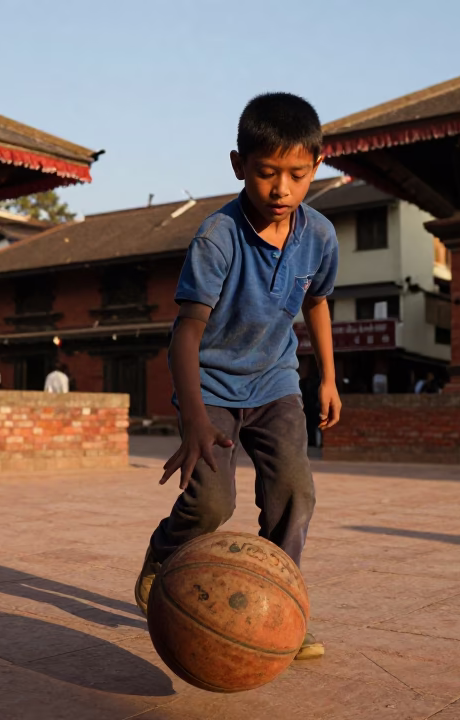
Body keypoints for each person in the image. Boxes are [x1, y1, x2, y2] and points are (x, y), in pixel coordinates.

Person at [133, 93, 340, 661]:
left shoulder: (319, 236)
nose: (281, 190)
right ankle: (162, 552)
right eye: (266, 173)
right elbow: (185, 333)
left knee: (294, 492)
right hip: (213, 387)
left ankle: (282, 602)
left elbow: (318, 301)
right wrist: (194, 419)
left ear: (316, 167)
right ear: (238, 166)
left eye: (297, 175)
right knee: (210, 504)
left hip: (276, 382)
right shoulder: (217, 238)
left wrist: (328, 377)